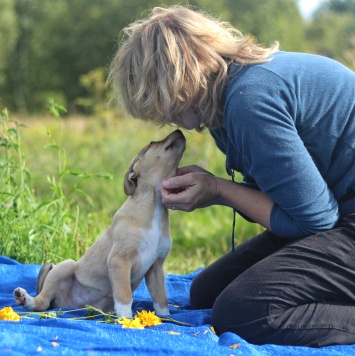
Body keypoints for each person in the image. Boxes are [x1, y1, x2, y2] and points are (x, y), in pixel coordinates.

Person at [108, 5, 355, 347]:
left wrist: (219, 190)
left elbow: (316, 221)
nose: (161, 118)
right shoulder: (222, 106)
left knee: (243, 312)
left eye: (157, 100)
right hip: (339, 212)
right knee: (207, 291)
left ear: (179, 78)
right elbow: (282, 199)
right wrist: (214, 189)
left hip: (341, 219)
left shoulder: (249, 101)